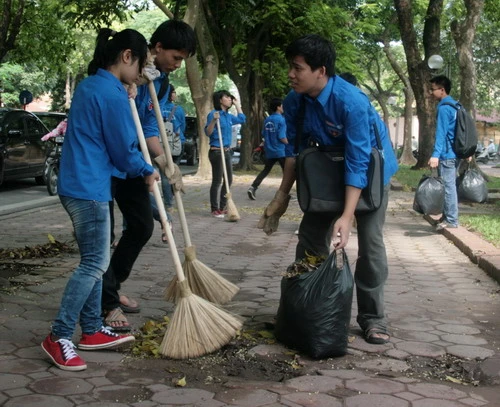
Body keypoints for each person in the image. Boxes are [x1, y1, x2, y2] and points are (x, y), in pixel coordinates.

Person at [258, 34, 398, 345]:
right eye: (290, 67)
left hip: (369, 174)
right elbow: (294, 154)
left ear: (321, 71)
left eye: (298, 68)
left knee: (371, 248)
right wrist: (281, 198)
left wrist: (347, 216)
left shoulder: (352, 103)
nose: (291, 75)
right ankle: (305, 309)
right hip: (324, 172)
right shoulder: (294, 101)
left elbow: (358, 162)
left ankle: (373, 318)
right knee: (310, 240)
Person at [41, 28, 159, 372]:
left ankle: (91, 330)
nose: (140, 74)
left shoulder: (91, 84)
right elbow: (123, 150)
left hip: (80, 184)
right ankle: (59, 335)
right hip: (88, 189)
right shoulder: (110, 93)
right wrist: (146, 169)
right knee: (93, 264)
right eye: (140, 65)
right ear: (126, 56)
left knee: (97, 262)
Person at [102, 19, 196, 331]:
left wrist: (164, 162)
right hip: (105, 162)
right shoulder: (124, 68)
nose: (178, 65)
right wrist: (133, 84)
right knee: (104, 236)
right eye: (176, 57)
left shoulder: (162, 84)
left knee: (141, 226)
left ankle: (110, 286)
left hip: (133, 162)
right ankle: (106, 301)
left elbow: (149, 125)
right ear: (157, 48)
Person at [205, 90, 246, 218]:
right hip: (217, 151)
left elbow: (242, 119)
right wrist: (213, 121)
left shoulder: (228, 116)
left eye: (230, 97)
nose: (229, 99)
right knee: (217, 180)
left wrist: (237, 104)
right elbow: (208, 132)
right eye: (227, 97)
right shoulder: (213, 114)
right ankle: (214, 208)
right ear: (220, 100)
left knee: (228, 180)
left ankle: (223, 206)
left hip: (227, 151)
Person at [428, 75, 459, 230]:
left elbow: (441, 133)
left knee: (448, 187)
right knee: (449, 186)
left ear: (442, 90)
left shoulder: (444, 108)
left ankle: (452, 220)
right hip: (455, 153)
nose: (431, 92)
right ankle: (447, 216)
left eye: (433, 89)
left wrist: (435, 155)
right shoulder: (456, 105)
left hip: (447, 154)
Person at [247, 98, 288, 200]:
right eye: (282, 105)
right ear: (278, 107)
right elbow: (282, 136)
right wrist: (289, 144)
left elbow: (264, 135)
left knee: (265, 170)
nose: (283, 108)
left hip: (269, 150)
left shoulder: (267, 120)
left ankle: (253, 187)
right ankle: (284, 194)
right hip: (281, 151)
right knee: (287, 173)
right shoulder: (282, 120)